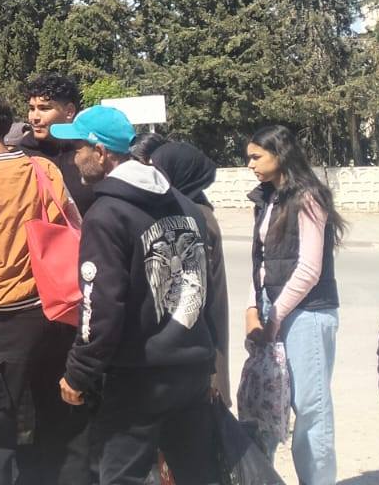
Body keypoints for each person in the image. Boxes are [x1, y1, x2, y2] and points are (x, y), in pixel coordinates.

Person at [53, 106, 219, 485]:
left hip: (138, 378)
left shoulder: (106, 215)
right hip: (191, 368)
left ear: (100, 152)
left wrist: (78, 373)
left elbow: (101, 307)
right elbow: (202, 289)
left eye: (77, 149)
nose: (73, 159)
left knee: (121, 476)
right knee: (196, 475)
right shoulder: (186, 206)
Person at [0, 92, 90, 485]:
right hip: (58, 310)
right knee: (57, 414)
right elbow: (74, 224)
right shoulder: (44, 168)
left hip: (8, 319)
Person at [243, 125, 343, 485]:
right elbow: (263, 262)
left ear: (280, 154)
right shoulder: (268, 198)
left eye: (257, 157)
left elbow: (309, 269)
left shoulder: (308, 197)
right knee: (268, 403)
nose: (250, 164)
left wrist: (275, 317)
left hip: (308, 312)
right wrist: (254, 308)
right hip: (275, 307)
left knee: (311, 408)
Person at [130, 133, 230, 407]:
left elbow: (195, 293)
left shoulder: (195, 216)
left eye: (158, 170)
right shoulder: (190, 209)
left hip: (200, 345)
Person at [12, 73, 97, 212]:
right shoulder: (19, 158)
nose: (34, 117)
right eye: (32, 108)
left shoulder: (91, 153)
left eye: (44, 108)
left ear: (69, 112)